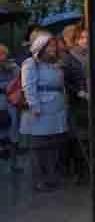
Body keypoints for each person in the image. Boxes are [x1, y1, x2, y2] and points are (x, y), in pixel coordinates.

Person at [19, 33, 68, 192]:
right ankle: (39, 180)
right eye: (49, 46)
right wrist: (34, 106)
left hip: (56, 109)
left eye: (54, 45)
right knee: (39, 146)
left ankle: (51, 177)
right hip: (40, 110)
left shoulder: (55, 64)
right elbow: (28, 86)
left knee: (52, 144)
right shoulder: (31, 63)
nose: (53, 49)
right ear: (41, 47)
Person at [62, 28, 91, 182]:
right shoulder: (69, 58)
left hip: (93, 101)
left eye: (87, 37)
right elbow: (65, 81)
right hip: (77, 102)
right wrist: (78, 92)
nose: (85, 40)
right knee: (78, 138)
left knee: (91, 138)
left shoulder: (94, 54)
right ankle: (79, 172)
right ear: (76, 40)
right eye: (82, 38)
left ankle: (90, 170)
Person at [0, 45, 20, 173]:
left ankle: (14, 163)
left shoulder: (13, 67)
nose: (1, 56)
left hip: (11, 102)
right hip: (4, 101)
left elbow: (19, 81)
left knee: (13, 133)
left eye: (3, 54)